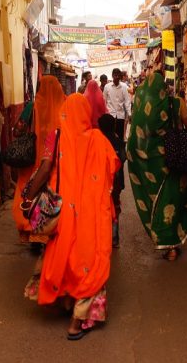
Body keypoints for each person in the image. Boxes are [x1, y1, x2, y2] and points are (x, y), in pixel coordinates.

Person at [22, 95, 118, 339]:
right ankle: (77, 319)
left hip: (63, 210)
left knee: (66, 254)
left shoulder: (56, 135)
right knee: (90, 261)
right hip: (92, 215)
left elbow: (44, 168)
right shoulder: (98, 139)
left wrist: (28, 197)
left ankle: (67, 305)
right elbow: (112, 172)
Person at [127, 71, 187, 261]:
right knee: (174, 201)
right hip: (175, 161)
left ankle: (167, 244)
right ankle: (173, 242)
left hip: (151, 166)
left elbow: (135, 140)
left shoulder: (140, 108)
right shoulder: (177, 103)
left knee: (157, 203)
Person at [13, 76, 66, 247]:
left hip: (31, 161)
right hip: (52, 161)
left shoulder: (31, 107)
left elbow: (17, 129)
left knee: (27, 192)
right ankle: (47, 228)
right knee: (49, 195)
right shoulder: (64, 106)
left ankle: (31, 229)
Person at [98, 113, 126, 248]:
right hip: (116, 182)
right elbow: (123, 158)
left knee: (102, 208)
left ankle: (102, 237)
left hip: (101, 183)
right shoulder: (119, 142)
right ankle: (114, 239)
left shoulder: (98, 141)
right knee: (115, 207)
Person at [103, 67, 131, 141]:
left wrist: (129, 113)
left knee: (120, 135)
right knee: (111, 136)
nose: (117, 77)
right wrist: (105, 113)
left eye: (118, 75)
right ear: (112, 76)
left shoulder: (124, 86)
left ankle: (120, 150)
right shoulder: (107, 87)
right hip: (110, 115)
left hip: (120, 115)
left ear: (120, 76)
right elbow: (104, 101)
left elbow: (127, 101)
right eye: (115, 75)